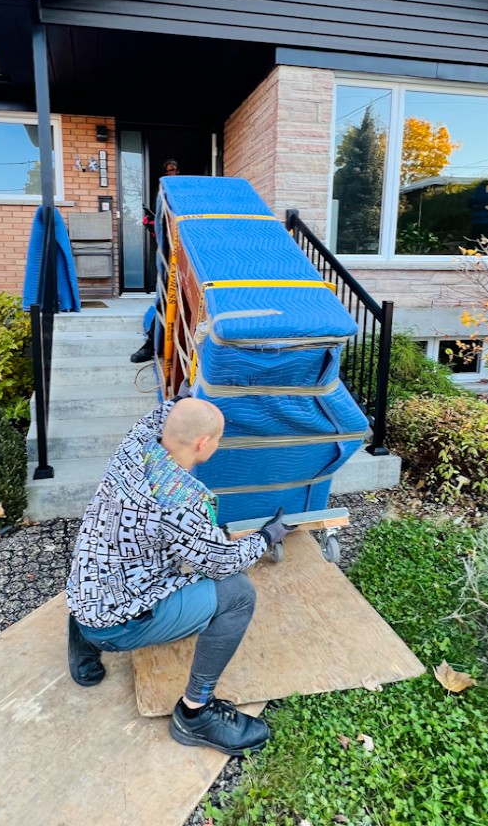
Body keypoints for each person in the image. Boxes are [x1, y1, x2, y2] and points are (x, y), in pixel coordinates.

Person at [66, 396, 296, 754]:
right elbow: (221, 563)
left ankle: (83, 636)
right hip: (118, 623)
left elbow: (168, 409)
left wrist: (209, 383)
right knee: (238, 595)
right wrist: (266, 536)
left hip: (87, 588)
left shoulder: (136, 442)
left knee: (108, 561)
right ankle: (196, 713)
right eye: (218, 438)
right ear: (204, 443)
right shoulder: (179, 503)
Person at [130, 159, 181, 363]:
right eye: (168, 170)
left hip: (190, 255)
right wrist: (153, 227)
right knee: (164, 301)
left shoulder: (185, 194)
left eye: (174, 170)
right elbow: (161, 228)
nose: (172, 173)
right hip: (170, 253)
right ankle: (152, 343)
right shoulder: (162, 196)